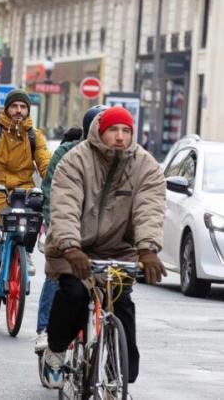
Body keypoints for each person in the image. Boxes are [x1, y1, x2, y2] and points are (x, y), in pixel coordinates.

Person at [40, 106, 167, 388]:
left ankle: (120, 374)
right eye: (113, 130)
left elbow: (150, 208)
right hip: (72, 249)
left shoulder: (145, 165)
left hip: (119, 251)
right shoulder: (75, 160)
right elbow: (64, 207)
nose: (120, 137)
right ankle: (56, 352)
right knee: (73, 295)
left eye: (126, 131)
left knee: (122, 305)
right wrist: (71, 248)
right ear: (100, 131)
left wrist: (148, 249)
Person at [0, 89, 51, 315]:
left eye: (23, 107)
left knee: (34, 213)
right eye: (14, 106)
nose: (18, 111)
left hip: (21, 191)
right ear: (6, 109)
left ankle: (26, 253)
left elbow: (45, 163)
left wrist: (54, 181)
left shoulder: (35, 136)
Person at [34, 105, 107, 353]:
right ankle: (45, 329)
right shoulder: (67, 154)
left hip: (104, 235)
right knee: (59, 276)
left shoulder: (123, 158)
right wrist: (54, 227)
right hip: (68, 226)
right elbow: (52, 192)